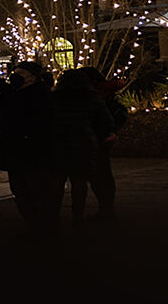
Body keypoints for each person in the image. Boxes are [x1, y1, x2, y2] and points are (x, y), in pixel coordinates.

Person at [0, 61, 62, 236]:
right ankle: (34, 225)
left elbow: (24, 109)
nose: (16, 77)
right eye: (15, 72)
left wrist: (2, 87)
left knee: (39, 192)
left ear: (33, 77)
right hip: (15, 154)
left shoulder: (40, 94)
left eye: (21, 73)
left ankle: (46, 227)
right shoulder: (15, 93)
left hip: (34, 155)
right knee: (21, 193)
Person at [52, 65, 119, 223]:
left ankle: (53, 216)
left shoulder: (53, 98)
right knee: (79, 181)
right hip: (83, 143)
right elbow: (106, 121)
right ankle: (77, 216)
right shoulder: (91, 98)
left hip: (57, 143)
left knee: (57, 182)